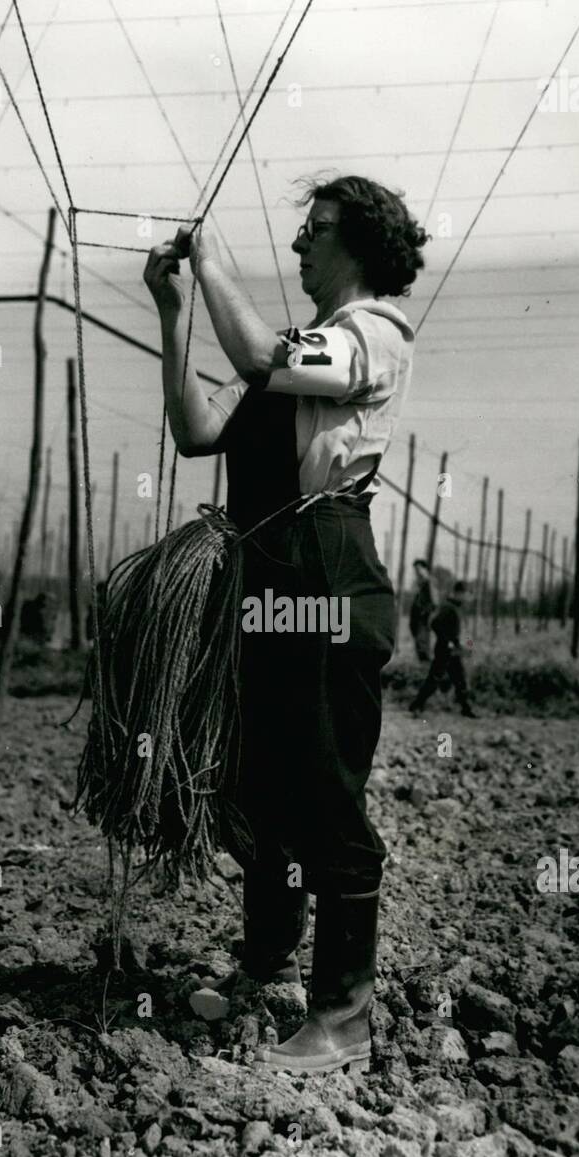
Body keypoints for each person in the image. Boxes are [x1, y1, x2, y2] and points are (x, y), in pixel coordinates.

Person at [143, 175, 426, 1074]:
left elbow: (265, 354)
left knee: (323, 795)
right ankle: (264, 962)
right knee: (253, 784)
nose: (300, 243)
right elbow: (197, 427)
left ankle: (343, 1015)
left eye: (318, 230)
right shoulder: (289, 353)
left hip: (325, 571)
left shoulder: (372, 333)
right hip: (263, 573)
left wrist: (217, 262)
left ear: (362, 244)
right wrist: (176, 306)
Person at [410, 579, 477, 718]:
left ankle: (466, 708)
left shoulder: (459, 608)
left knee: (459, 679)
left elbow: (464, 630)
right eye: (466, 593)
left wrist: (469, 645)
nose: (468, 597)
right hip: (445, 650)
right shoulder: (448, 607)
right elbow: (434, 624)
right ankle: (417, 705)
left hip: (455, 650)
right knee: (435, 679)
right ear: (459, 593)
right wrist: (447, 641)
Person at [409, 558, 434, 661]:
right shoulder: (419, 583)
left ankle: (425, 661)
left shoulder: (430, 583)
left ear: (425, 569)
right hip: (416, 615)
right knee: (417, 638)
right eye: (415, 569)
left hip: (423, 616)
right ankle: (422, 661)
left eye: (419, 569)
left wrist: (425, 612)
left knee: (421, 639)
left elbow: (434, 601)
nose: (417, 572)